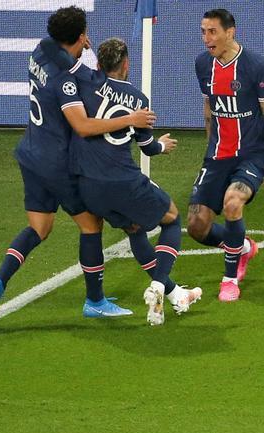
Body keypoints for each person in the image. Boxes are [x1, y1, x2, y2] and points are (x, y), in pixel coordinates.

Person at [0, 5, 156, 323]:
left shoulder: (41, 50)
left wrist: (79, 50)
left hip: (30, 154)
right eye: (84, 34)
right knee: (91, 225)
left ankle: (0, 280)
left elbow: (68, 59)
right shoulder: (67, 80)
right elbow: (83, 126)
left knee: (39, 228)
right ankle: (95, 301)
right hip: (57, 164)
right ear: (79, 36)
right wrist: (132, 117)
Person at [69, 37, 202, 325]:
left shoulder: (84, 85)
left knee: (135, 228)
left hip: (88, 187)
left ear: (100, 64)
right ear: (127, 64)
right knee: (171, 218)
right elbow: (148, 147)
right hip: (122, 181)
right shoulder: (139, 100)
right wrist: (163, 146)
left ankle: (175, 294)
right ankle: (158, 284)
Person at [186, 8, 264, 302]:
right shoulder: (203, 65)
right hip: (217, 156)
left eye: (212, 31)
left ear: (230, 32)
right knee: (196, 226)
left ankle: (229, 281)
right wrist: (209, 149)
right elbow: (208, 109)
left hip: (251, 154)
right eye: (203, 32)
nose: (206, 39)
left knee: (232, 203)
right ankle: (241, 247)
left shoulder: (256, 66)